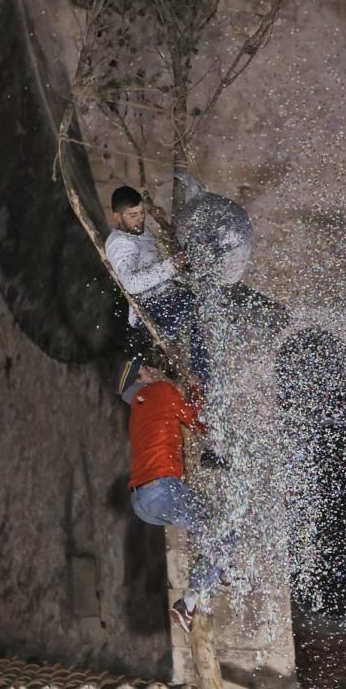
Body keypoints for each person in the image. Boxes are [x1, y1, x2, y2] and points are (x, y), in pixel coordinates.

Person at [113, 352, 232, 633]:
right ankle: (192, 599)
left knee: (212, 530)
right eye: (143, 370)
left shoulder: (137, 411)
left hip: (143, 503)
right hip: (161, 490)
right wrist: (196, 386)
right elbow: (196, 420)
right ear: (138, 382)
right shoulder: (159, 391)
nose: (151, 369)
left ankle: (222, 570)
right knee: (223, 524)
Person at [105, 186, 209, 385]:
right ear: (117, 216)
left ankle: (201, 371)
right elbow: (132, 284)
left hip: (165, 300)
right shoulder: (119, 244)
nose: (139, 219)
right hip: (150, 311)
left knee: (202, 296)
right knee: (196, 304)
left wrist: (158, 219)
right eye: (132, 215)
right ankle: (201, 378)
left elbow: (158, 252)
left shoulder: (141, 232)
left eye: (141, 213)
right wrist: (172, 265)